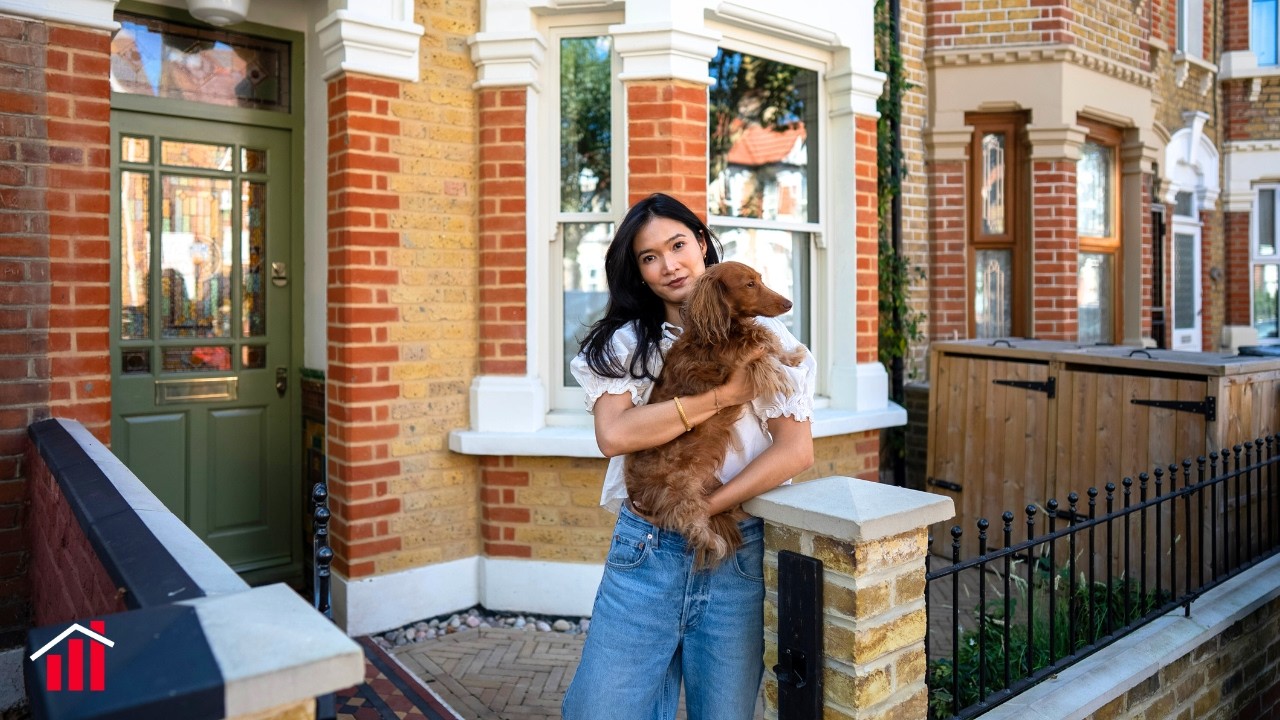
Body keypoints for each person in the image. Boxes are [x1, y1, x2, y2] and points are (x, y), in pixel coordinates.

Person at [561, 193, 816, 720]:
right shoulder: (627, 343)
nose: (669, 265)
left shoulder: (768, 339)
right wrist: (722, 396)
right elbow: (614, 436)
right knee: (599, 710)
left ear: (701, 244)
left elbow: (796, 451)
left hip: (735, 548)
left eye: (678, 245)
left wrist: (711, 507)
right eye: (649, 257)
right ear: (639, 272)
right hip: (647, 546)